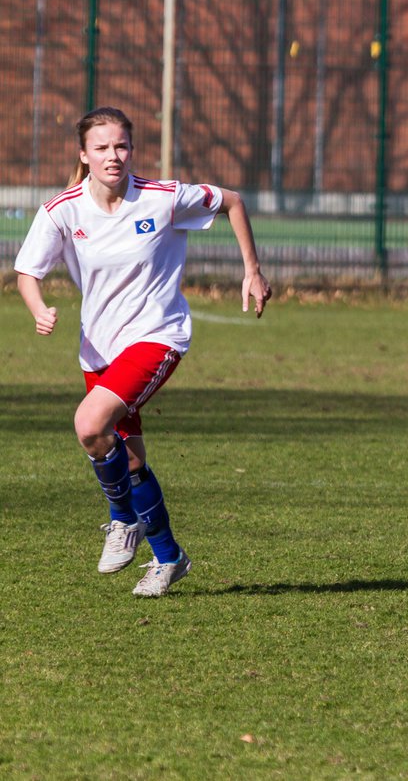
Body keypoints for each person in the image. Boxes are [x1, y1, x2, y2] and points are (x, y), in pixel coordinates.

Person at [15, 106, 271, 596]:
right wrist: (37, 306)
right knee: (126, 461)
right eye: (103, 147)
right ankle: (169, 558)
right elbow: (29, 272)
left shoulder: (163, 198)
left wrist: (252, 270)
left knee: (90, 424)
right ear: (84, 155)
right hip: (99, 349)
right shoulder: (62, 210)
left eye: (122, 146)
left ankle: (121, 521)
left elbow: (233, 201)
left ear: (131, 149)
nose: (114, 155)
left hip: (157, 336)